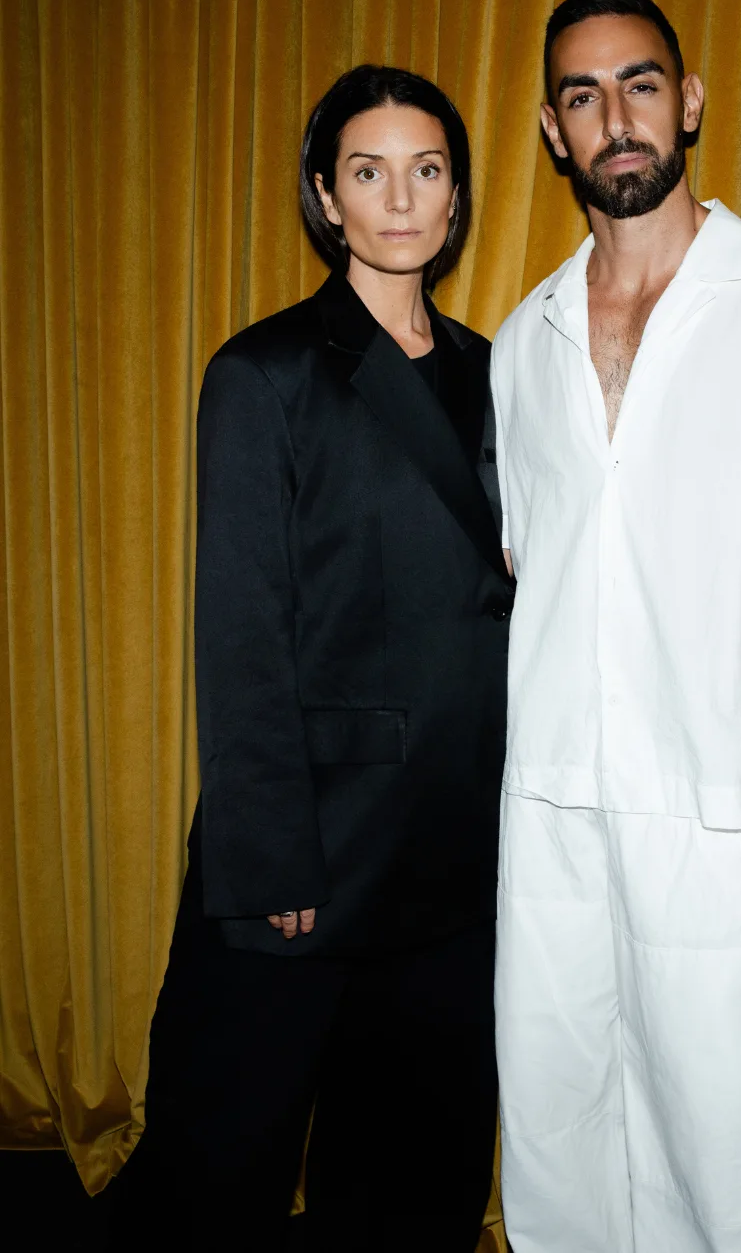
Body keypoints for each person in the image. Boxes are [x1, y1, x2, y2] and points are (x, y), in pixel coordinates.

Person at [490, 0, 741, 1253]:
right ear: (556, 133)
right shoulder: (524, 339)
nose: (616, 118)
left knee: (719, 1137)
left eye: (641, 84)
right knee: (555, 1126)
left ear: (691, 102)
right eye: (582, 94)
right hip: (551, 794)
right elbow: (528, 562)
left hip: (721, 798)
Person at [115, 65, 512, 1250]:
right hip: (310, 854)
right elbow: (243, 633)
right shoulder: (262, 374)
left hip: (456, 853)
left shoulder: (502, 375)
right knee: (219, 1165)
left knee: (414, 1175)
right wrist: (269, 859)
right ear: (327, 197)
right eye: (369, 171)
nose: (401, 198)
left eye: (428, 169)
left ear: (457, 197)